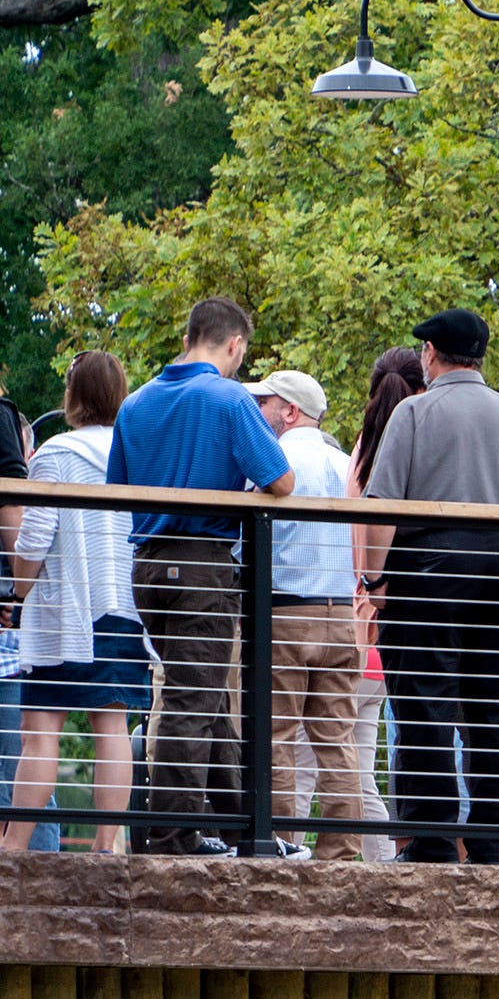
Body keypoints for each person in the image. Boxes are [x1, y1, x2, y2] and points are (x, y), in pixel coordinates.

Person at [356, 308, 499, 866]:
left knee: (424, 705)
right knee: (498, 708)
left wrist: (374, 581)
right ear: (479, 356)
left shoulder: (414, 413)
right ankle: (495, 843)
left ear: (430, 354)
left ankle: (431, 844)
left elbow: (382, 511)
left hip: (429, 570)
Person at [104, 296, 294, 855]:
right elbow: (280, 480)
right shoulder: (230, 398)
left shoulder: (135, 403)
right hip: (203, 565)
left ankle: (242, 827)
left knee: (202, 696)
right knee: (194, 701)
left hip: (150, 565)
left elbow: (119, 490)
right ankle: (172, 836)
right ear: (233, 344)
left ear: (189, 336)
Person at [6, 352, 141, 854]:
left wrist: (20, 588)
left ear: (73, 397)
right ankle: (107, 848)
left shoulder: (55, 455)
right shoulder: (137, 451)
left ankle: (13, 847)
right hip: (122, 605)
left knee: (40, 731)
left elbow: (35, 536)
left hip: (64, 610)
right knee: (113, 725)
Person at [246, 370, 360, 860]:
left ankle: (281, 845)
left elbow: (242, 543)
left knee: (276, 737)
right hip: (341, 619)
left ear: (289, 412)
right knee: (338, 741)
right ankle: (339, 853)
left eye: (266, 403)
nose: (259, 412)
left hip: (286, 614)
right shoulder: (346, 466)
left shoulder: (272, 463)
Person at [343, 346, 427, 862]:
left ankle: (379, 859)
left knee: (355, 760)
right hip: (406, 613)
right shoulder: (418, 441)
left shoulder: (361, 451)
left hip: (360, 617)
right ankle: (389, 859)